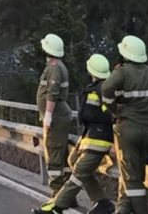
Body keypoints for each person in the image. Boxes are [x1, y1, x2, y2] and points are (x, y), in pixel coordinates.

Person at [32, 54, 116, 214]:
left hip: (100, 140)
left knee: (79, 172)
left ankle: (57, 207)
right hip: (90, 137)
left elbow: (114, 117)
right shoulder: (99, 88)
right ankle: (102, 202)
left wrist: (115, 143)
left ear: (90, 70)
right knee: (73, 160)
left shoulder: (103, 90)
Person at [103, 35, 148, 214]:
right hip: (147, 130)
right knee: (137, 175)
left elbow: (106, 89)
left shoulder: (122, 72)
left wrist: (114, 109)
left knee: (132, 180)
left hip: (127, 129)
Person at [37, 33, 72, 194]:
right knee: (61, 155)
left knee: (54, 155)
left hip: (56, 117)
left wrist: (48, 115)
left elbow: (52, 92)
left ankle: (57, 195)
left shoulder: (53, 67)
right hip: (58, 115)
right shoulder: (57, 65)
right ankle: (65, 194)